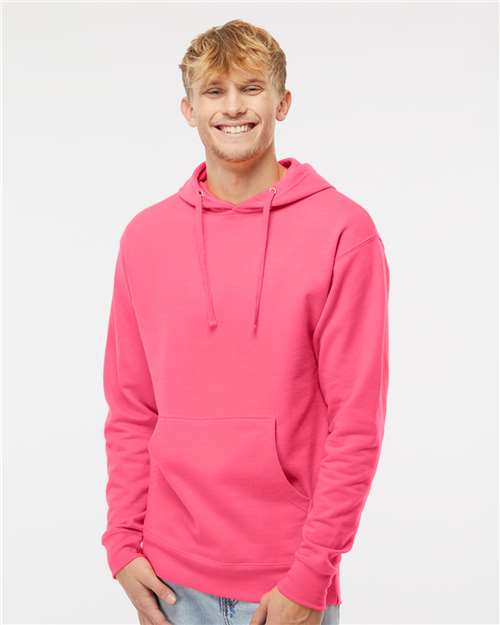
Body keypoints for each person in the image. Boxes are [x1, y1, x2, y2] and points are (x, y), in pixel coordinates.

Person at [101, 18, 390, 625]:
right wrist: (122, 544)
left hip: (286, 582)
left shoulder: (343, 232)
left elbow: (356, 422)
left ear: (283, 102)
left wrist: (311, 575)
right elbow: (131, 407)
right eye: (214, 91)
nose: (233, 107)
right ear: (189, 110)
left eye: (252, 88)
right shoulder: (145, 238)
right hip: (168, 579)